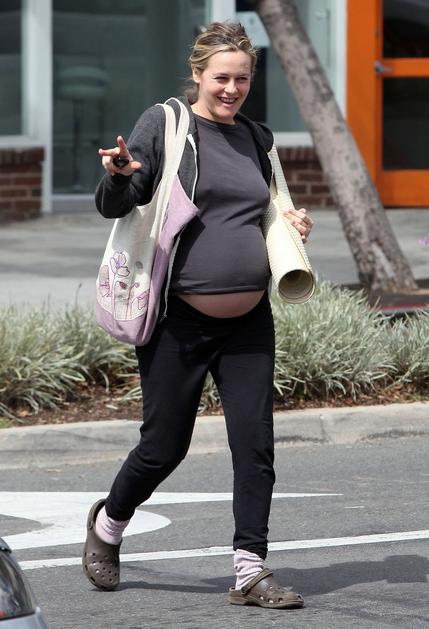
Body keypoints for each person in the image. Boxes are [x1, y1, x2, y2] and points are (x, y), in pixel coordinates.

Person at [83, 21, 313, 610]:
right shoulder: (166, 124)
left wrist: (290, 226)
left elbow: (266, 209)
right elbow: (118, 203)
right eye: (221, 78)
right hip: (177, 321)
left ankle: (250, 570)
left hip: (248, 321)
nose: (232, 89)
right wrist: (118, 177)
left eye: (242, 79)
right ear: (198, 75)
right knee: (163, 446)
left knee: (255, 445)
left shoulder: (257, 138)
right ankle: (108, 524)